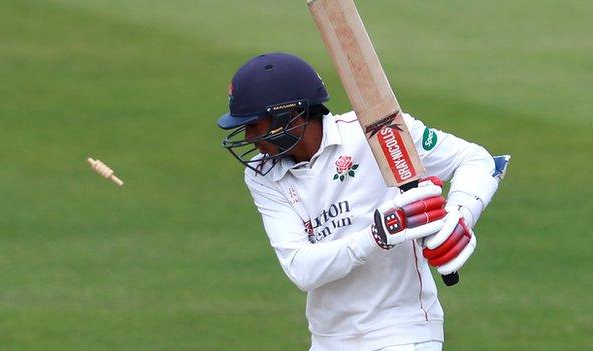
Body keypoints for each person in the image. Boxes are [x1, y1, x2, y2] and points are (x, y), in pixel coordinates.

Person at [216, 52, 509, 351]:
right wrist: (377, 235)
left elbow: (476, 160)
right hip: (329, 338)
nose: (250, 137)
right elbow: (301, 269)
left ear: (290, 115)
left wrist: (459, 217)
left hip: (404, 330)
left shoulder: (377, 133)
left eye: (254, 124)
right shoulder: (263, 175)